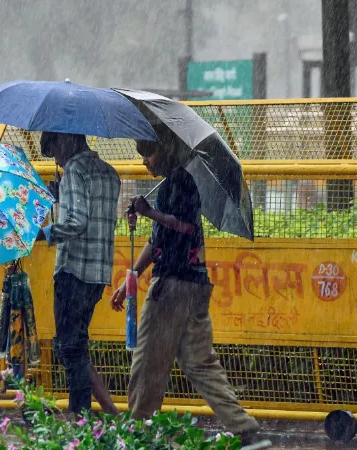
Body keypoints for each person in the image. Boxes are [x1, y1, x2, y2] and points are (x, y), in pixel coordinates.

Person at [109, 135, 264, 446]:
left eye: (149, 152)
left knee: (147, 365)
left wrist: (150, 212)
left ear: (165, 149)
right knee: (199, 363)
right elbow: (157, 241)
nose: (145, 160)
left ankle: (138, 434)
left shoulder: (176, 183)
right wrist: (133, 276)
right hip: (194, 285)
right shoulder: (175, 183)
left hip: (171, 289)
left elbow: (184, 227)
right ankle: (244, 429)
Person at [38, 131, 120, 416]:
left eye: (56, 151)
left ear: (68, 140)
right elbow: (95, 216)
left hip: (73, 271)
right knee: (76, 345)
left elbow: (76, 222)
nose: (58, 161)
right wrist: (63, 194)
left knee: (70, 348)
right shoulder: (110, 173)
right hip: (98, 273)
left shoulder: (74, 169)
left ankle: (80, 416)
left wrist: (43, 233)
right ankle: (105, 412)